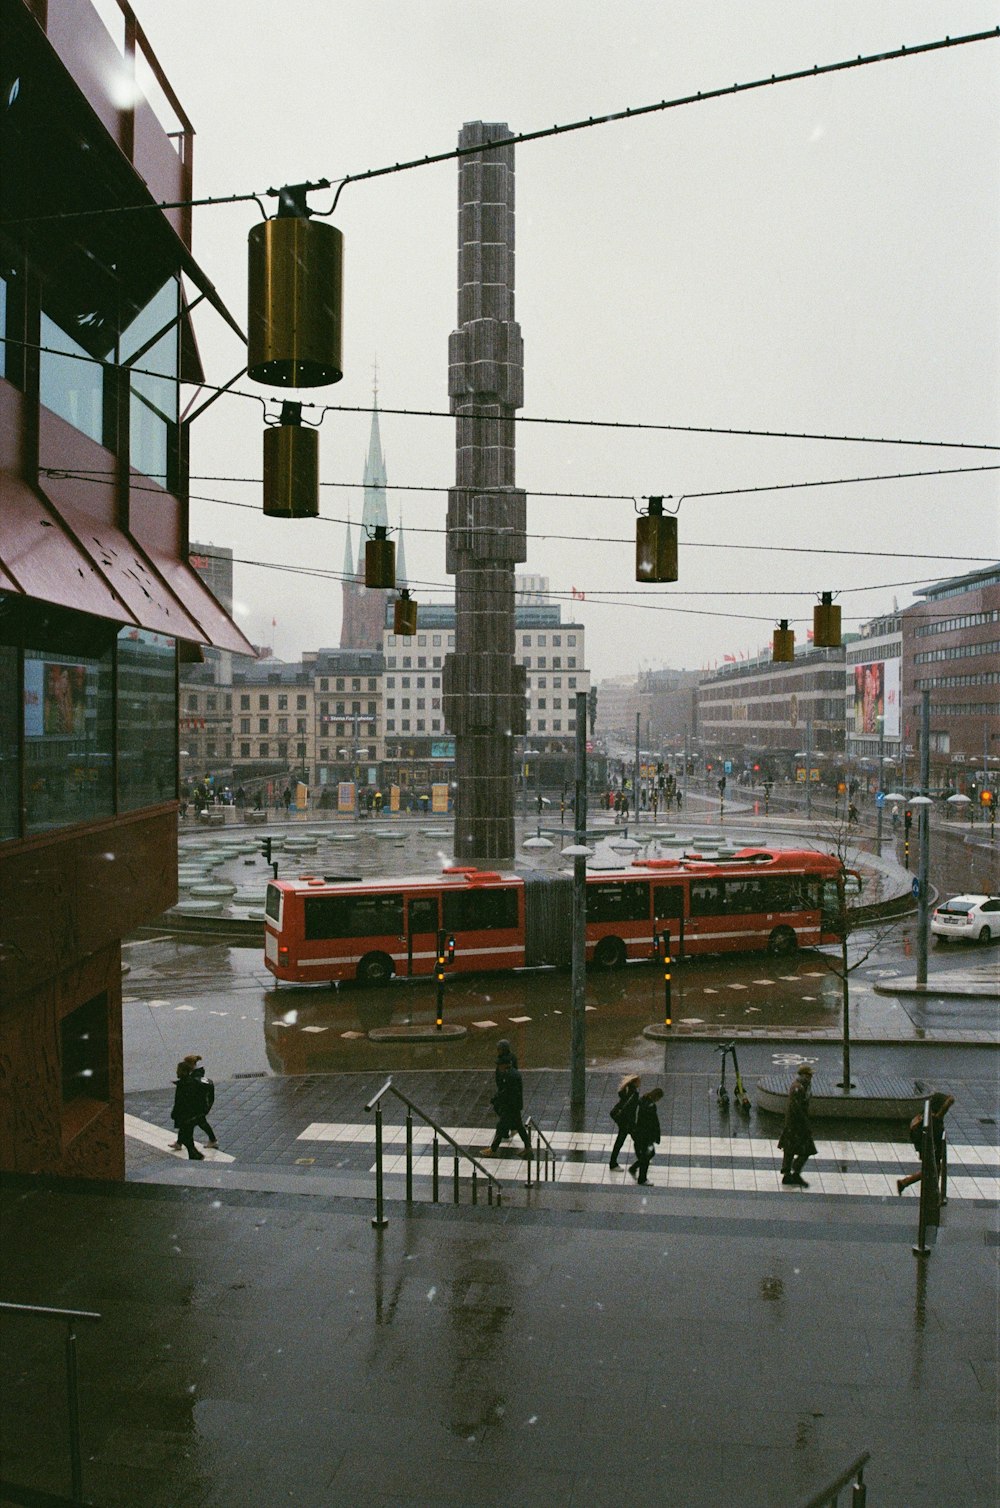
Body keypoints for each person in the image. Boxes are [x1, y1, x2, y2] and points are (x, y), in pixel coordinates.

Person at [898, 1092, 954, 1195]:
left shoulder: (925, 1115)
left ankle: (907, 1183)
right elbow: (935, 1137)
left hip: (925, 1146)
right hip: (930, 1147)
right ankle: (907, 1183)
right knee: (933, 1169)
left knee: (932, 1169)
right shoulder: (934, 1121)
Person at [169, 1054, 218, 1159]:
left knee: (190, 1132)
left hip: (189, 1114)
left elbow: (180, 1101)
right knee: (188, 1134)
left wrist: (175, 1113)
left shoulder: (186, 1083)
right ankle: (190, 1150)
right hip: (194, 1113)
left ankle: (196, 1153)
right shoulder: (192, 1080)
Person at [488, 1041, 530, 1156]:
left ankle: (493, 1149)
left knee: (501, 1125)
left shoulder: (509, 1076)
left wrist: (499, 1098)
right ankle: (528, 1147)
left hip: (510, 1105)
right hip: (513, 1104)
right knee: (518, 1126)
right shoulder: (511, 1073)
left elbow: (508, 1091)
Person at [778, 1064, 817, 1188]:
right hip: (795, 1124)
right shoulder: (797, 1088)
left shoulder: (804, 1087)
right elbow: (796, 1108)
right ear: (803, 1075)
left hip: (795, 1124)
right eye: (809, 1075)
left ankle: (790, 1173)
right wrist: (805, 1123)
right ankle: (792, 1172)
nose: (811, 1077)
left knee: (790, 1149)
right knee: (803, 1149)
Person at [628, 1086, 663, 1184]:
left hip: (640, 1133)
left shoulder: (643, 1101)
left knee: (647, 1155)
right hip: (647, 1136)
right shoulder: (650, 1106)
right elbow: (654, 1123)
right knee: (647, 1155)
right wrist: (655, 1136)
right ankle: (642, 1178)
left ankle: (635, 1168)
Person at [609, 1074, 640, 1170]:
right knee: (621, 1141)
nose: (640, 1083)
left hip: (625, 1121)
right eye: (638, 1081)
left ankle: (643, 1157)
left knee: (637, 1139)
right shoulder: (632, 1094)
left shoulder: (629, 1091)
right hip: (627, 1122)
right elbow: (629, 1109)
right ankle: (613, 1163)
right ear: (634, 1082)